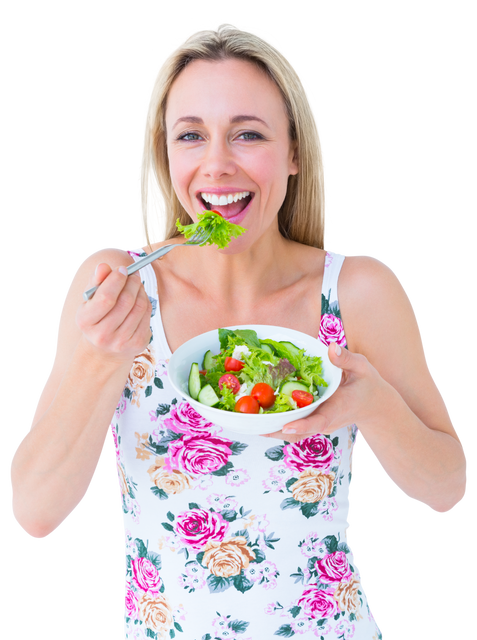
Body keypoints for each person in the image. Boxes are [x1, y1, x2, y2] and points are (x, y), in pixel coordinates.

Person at [9, 18, 468, 640]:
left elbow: (448, 489)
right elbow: (34, 514)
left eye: (248, 134)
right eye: (191, 136)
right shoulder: (115, 284)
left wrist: (375, 405)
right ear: (166, 156)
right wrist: (102, 361)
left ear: (295, 151)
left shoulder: (357, 290)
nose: (217, 166)